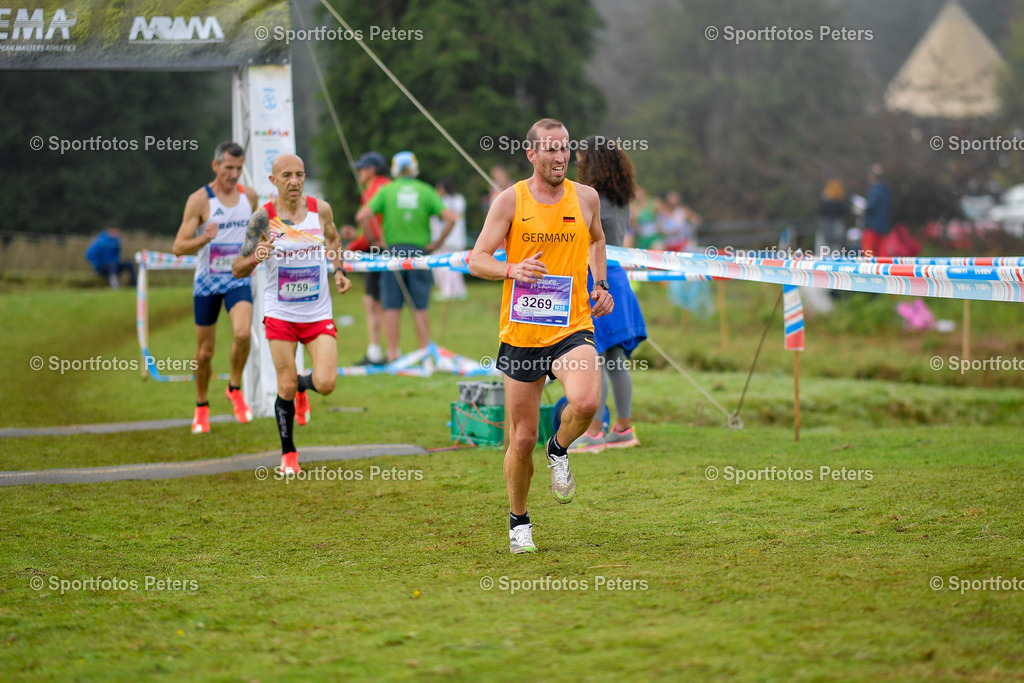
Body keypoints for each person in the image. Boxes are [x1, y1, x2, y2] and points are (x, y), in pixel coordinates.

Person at [469, 118, 614, 554]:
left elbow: (597, 240)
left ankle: (560, 447)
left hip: (571, 326)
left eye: (565, 148)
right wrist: (511, 268)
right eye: (550, 149)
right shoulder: (510, 200)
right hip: (523, 333)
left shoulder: (585, 197)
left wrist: (600, 285)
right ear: (531, 154)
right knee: (521, 438)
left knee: (587, 402)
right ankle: (519, 520)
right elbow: (476, 259)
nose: (560, 157)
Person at [232, 153, 351, 475]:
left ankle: (303, 387)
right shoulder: (262, 218)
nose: (294, 181)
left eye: (299, 174)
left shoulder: (320, 209)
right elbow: (237, 268)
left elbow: (334, 238)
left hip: (317, 312)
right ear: (273, 181)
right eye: (286, 175)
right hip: (280, 313)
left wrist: (338, 270)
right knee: (284, 386)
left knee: (326, 383)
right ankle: (289, 454)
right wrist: (256, 255)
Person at [172, 142, 258, 434]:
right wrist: (203, 239)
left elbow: (259, 230)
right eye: (228, 168)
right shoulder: (199, 200)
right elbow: (178, 247)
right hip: (208, 281)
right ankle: (201, 405)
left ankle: (234, 388)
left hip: (238, 277)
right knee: (205, 352)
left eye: (238, 168)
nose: (234, 175)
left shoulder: (250, 196)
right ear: (215, 166)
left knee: (243, 333)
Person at [569, 135, 647, 452]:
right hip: (619, 277)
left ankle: (593, 432)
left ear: (591, 163)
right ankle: (623, 428)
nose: (576, 163)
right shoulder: (623, 196)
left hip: (595, 278)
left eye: (580, 160)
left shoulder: (588, 197)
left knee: (593, 357)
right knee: (615, 359)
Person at [355, 151, 456, 362]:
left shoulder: (387, 190)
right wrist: (436, 244)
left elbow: (362, 216)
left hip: (393, 253)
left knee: (391, 305)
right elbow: (450, 218)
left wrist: (375, 239)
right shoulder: (426, 190)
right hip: (420, 254)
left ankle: (393, 355)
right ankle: (425, 354)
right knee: (420, 306)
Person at [340, 151, 391, 366]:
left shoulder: (374, 190)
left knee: (374, 302)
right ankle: (380, 351)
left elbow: (372, 225)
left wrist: (352, 246)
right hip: (389, 248)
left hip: (377, 251)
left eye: (361, 168)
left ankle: (378, 353)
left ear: (371, 170)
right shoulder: (387, 185)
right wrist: (358, 237)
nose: (359, 172)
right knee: (376, 301)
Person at [430, 177, 468, 301]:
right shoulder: (459, 199)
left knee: (444, 267)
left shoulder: (442, 201)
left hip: (445, 239)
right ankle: (459, 290)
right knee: (457, 267)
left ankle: (447, 292)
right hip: (458, 239)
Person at [862, 164, 891, 258]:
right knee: (882, 252)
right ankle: (884, 272)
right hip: (883, 226)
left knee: (868, 251)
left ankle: (868, 272)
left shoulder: (874, 190)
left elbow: (871, 206)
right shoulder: (886, 190)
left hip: (872, 226)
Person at [817, 178, 848, 258]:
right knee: (836, 253)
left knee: (823, 254)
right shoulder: (841, 205)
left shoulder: (825, 204)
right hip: (837, 232)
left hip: (826, 232)